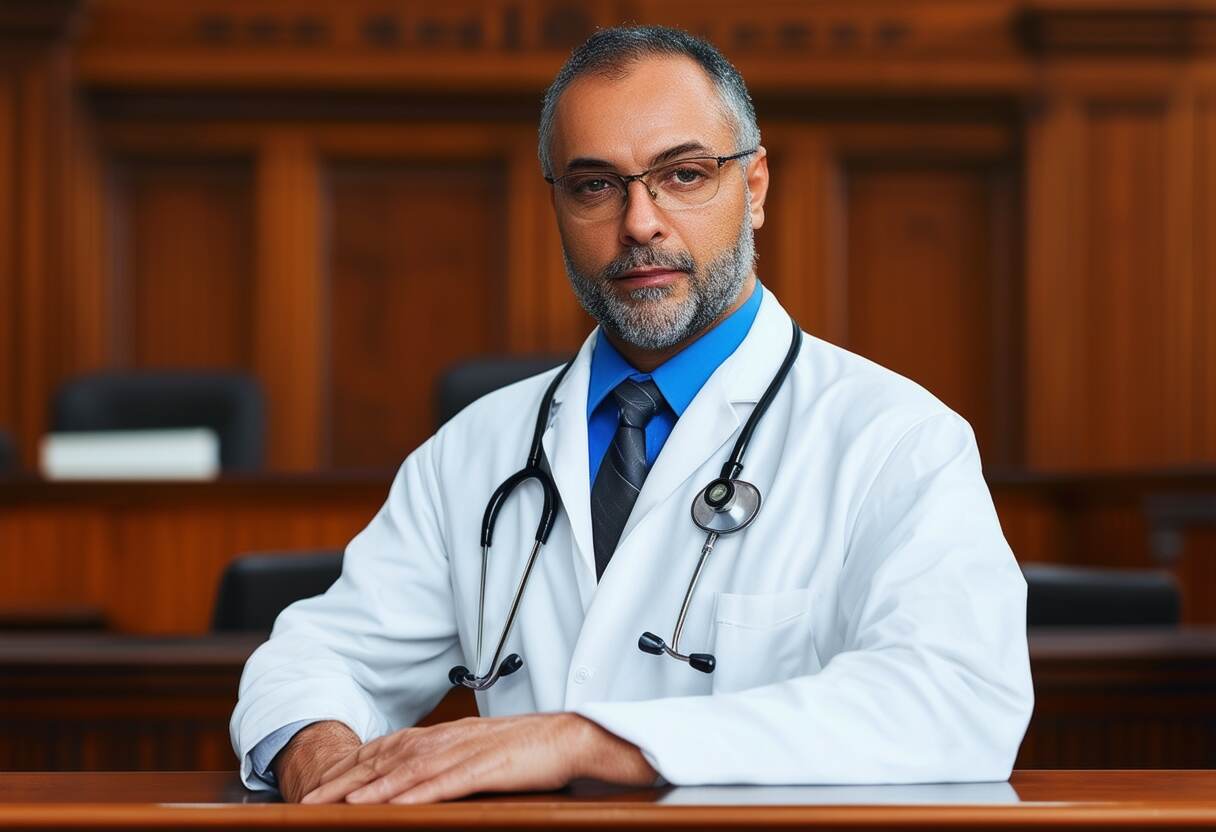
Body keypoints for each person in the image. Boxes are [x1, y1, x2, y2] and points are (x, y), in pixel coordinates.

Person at [231, 25, 1033, 804]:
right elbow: (318, 656)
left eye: (683, 175)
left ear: (753, 188)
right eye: (595, 185)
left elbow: (954, 699)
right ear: (558, 205)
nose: (639, 223)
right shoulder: (476, 449)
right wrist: (326, 760)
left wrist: (584, 739)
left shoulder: (895, 440)